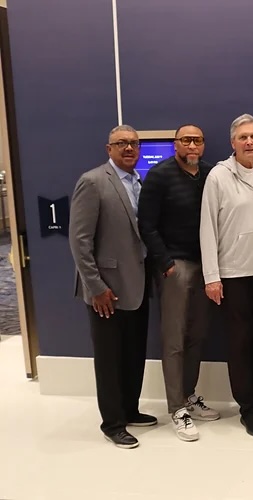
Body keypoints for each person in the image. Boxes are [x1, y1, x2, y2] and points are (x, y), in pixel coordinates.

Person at [69, 125, 155, 449]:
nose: (129, 148)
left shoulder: (138, 182)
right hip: (106, 290)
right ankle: (113, 423)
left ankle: (130, 409)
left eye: (134, 143)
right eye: (122, 143)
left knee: (134, 353)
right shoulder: (92, 182)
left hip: (137, 284)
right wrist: (96, 287)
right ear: (109, 149)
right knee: (109, 359)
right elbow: (79, 241)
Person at [200, 114, 253, 437]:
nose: (249, 142)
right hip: (233, 275)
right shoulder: (218, 177)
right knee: (239, 344)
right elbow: (207, 227)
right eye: (243, 137)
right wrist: (212, 276)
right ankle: (246, 408)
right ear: (232, 143)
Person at [138, 124, 219, 442]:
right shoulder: (159, 176)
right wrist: (166, 263)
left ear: (203, 145)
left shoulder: (211, 175)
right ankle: (176, 409)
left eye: (197, 140)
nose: (192, 145)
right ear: (176, 145)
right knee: (173, 339)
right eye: (186, 140)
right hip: (175, 266)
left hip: (206, 265)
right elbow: (146, 223)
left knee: (197, 334)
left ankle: (188, 396)